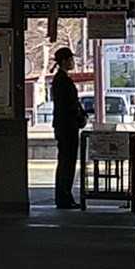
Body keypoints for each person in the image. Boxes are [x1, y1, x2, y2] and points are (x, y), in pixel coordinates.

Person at [50, 47, 85, 209]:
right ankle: (64, 197)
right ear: (64, 61)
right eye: (71, 59)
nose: (73, 62)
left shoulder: (60, 80)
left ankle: (64, 196)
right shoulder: (63, 81)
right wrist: (80, 117)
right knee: (67, 162)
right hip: (67, 126)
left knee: (65, 161)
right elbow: (70, 105)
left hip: (64, 126)